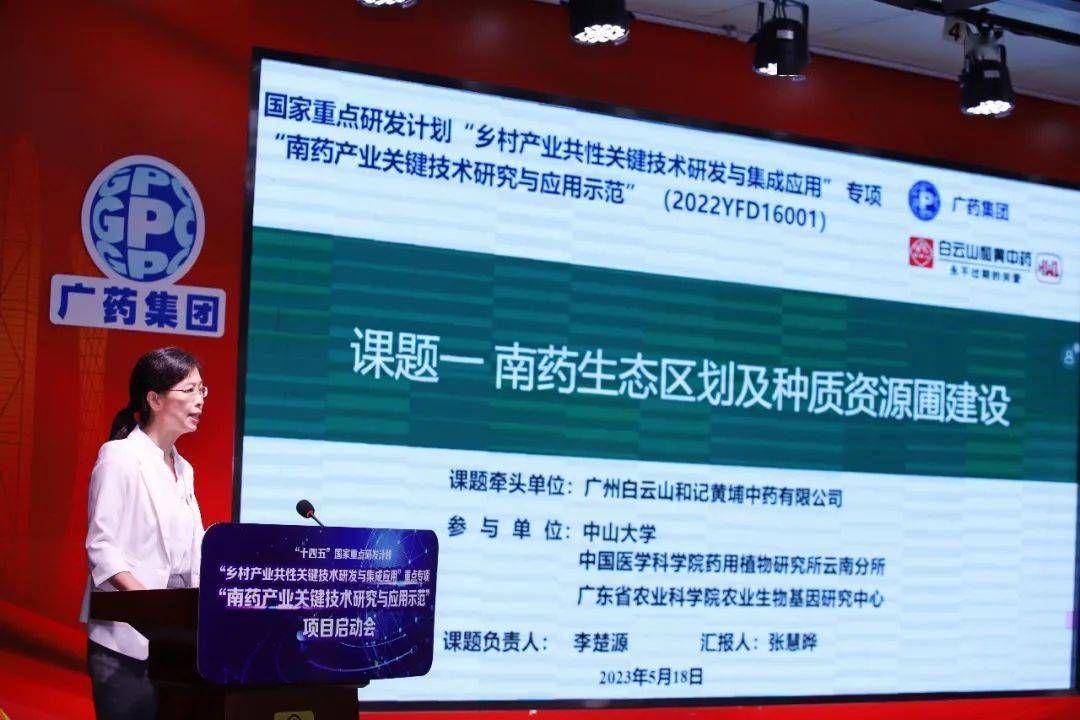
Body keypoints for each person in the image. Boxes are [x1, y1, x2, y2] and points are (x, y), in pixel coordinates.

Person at [80, 347, 207, 720]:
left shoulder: (184, 469)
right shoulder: (119, 456)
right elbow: (102, 547)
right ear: (154, 399)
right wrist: (149, 605)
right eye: (189, 390)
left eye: (202, 390)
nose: (200, 400)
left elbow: (194, 551)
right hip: (124, 642)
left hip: (175, 643)